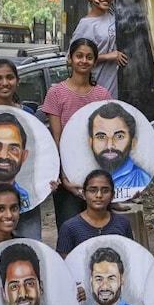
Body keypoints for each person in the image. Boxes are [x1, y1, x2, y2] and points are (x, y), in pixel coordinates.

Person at [41, 38, 113, 230]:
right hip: (67, 174)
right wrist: (64, 177)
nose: (84, 60)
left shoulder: (102, 95)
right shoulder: (56, 93)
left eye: (89, 57)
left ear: (95, 61)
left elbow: (108, 137)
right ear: (70, 59)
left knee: (100, 230)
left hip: (97, 172)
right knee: (70, 229)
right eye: (79, 56)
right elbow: (57, 138)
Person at [0, 59, 44, 240]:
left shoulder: (28, 116)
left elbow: (42, 156)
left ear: (18, 80)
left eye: (9, 77)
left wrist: (48, 181)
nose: (4, 83)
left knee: (29, 253)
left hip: (28, 201)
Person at [71, 0, 126, 98]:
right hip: (95, 91)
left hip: (116, 91)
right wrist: (109, 56)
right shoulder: (86, 25)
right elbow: (71, 59)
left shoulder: (112, 14)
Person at [56, 170, 133, 257]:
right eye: (93, 190)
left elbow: (129, 257)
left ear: (112, 195)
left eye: (105, 191)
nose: (99, 195)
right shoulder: (69, 227)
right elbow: (63, 265)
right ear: (84, 194)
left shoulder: (123, 223)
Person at [88, 102, 151, 190]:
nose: (110, 146)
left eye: (119, 136)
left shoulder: (141, 180)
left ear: (133, 142)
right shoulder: (87, 179)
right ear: (90, 142)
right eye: (101, 137)